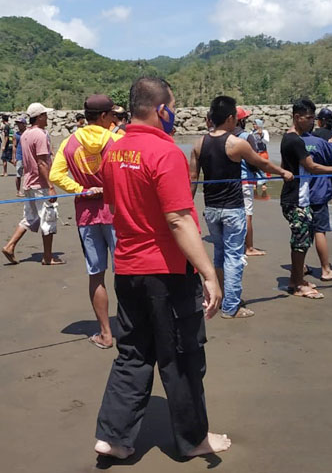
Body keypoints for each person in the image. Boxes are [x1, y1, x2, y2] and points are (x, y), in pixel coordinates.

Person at [95, 77, 230, 459]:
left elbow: (116, 204)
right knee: (182, 357)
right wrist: (209, 273)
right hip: (167, 273)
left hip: (128, 270)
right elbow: (178, 219)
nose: (175, 113)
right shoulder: (166, 152)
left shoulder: (113, 151)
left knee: (133, 353)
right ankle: (193, 439)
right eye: (173, 106)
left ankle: (113, 437)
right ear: (160, 109)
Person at [190, 96, 293, 319]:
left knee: (219, 254)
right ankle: (231, 307)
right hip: (232, 209)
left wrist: (188, 208)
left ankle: (221, 297)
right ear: (230, 118)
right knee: (234, 258)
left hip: (211, 209)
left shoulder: (199, 143)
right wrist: (283, 172)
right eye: (235, 118)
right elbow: (261, 163)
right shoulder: (236, 143)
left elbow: (193, 179)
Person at [49, 94, 122, 349]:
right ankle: (130, 328)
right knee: (125, 272)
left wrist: (81, 189)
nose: (114, 119)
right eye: (111, 115)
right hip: (115, 212)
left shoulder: (69, 142)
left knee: (96, 274)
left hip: (87, 215)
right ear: (103, 116)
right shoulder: (116, 140)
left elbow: (55, 174)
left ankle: (105, 333)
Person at [280, 99, 332, 299]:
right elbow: (312, 166)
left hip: (296, 196)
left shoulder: (289, 138)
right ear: (297, 117)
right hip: (296, 199)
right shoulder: (295, 140)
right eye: (309, 118)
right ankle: (297, 285)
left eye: (313, 118)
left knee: (301, 241)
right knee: (300, 243)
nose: (313, 122)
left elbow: (287, 166)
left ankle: (296, 280)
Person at [2, 103, 63, 265]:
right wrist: (51, 186)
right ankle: (48, 257)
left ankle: (10, 245)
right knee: (48, 218)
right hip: (39, 183)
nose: (47, 118)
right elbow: (42, 162)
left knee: (29, 218)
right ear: (40, 117)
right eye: (45, 115)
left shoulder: (26, 134)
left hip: (28, 181)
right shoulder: (40, 134)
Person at [300, 120, 332, 282]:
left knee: (303, 232)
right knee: (320, 231)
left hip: (299, 193)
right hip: (318, 192)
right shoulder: (320, 143)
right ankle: (326, 270)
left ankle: (300, 266)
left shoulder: (293, 141)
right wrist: (331, 145)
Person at [232, 106, 266, 257]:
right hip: (245, 180)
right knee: (247, 214)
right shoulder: (247, 136)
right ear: (241, 121)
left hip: (231, 180)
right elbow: (254, 160)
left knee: (234, 213)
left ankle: (236, 244)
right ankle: (249, 247)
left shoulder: (226, 136)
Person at [12, 116, 25, 194]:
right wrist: (14, 157)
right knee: (18, 175)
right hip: (19, 156)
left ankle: (27, 189)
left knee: (28, 174)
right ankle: (18, 190)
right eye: (17, 124)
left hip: (28, 156)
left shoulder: (28, 133)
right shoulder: (16, 135)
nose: (19, 125)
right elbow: (14, 146)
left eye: (20, 123)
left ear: (24, 124)